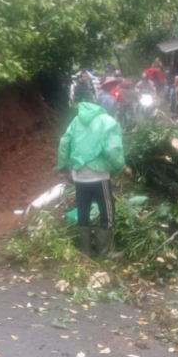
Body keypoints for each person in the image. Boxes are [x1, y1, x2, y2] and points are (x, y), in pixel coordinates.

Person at [57, 102, 130, 258]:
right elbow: (112, 149)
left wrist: (65, 164)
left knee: (83, 209)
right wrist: (121, 166)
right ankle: (104, 251)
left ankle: (85, 251)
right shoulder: (107, 121)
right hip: (99, 175)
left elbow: (64, 142)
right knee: (108, 210)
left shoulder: (76, 120)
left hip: (79, 176)